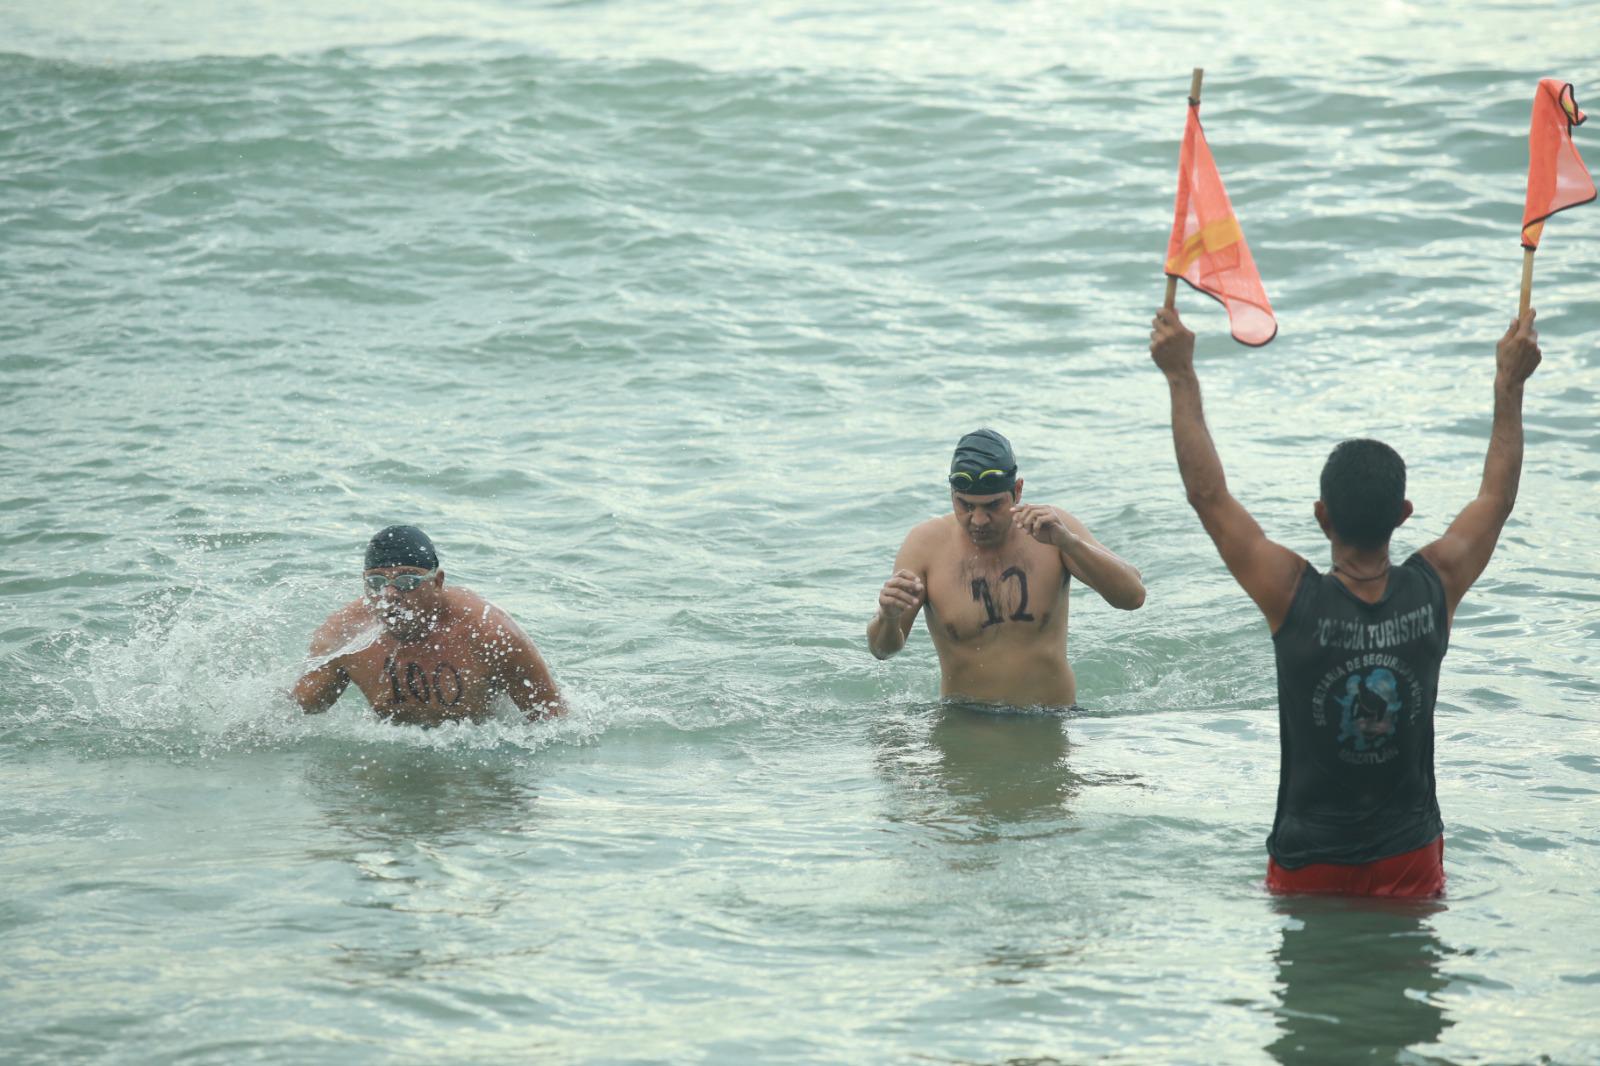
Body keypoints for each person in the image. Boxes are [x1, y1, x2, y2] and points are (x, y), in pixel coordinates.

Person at [1149, 305, 1543, 896]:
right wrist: (1509, 385)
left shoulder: (1291, 595)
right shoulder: (1435, 586)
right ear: (1404, 516)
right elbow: (1496, 495)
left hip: (1309, 856)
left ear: (1321, 517)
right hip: (1409, 853)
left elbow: (1207, 495)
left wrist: (1180, 375)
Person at [867, 429, 1146, 708]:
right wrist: (888, 618)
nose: (978, 519)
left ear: (1017, 491)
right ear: (951, 494)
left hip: (1051, 718)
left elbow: (1133, 597)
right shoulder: (925, 545)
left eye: (992, 506)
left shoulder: (1052, 529)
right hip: (966, 723)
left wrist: (1069, 543)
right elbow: (882, 650)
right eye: (965, 505)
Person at [291, 525, 565, 725]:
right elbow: (294, 714)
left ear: (437, 582)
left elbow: (554, 721)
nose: (389, 595)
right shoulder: (345, 636)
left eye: (407, 581)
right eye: (376, 582)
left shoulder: (489, 633)